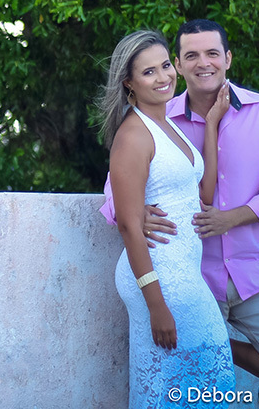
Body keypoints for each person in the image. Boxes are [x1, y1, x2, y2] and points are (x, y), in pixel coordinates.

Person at [100, 19, 259, 390]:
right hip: (193, 276)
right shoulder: (158, 116)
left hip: (251, 274)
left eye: (213, 53)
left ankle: (213, 342)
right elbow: (115, 189)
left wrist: (230, 219)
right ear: (181, 63)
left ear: (228, 59)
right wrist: (130, 213)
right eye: (191, 56)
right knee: (189, 388)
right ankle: (206, 341)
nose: (204, 63)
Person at [99, 30, 234, 408]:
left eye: (164, 66)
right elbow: (128, 223)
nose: (163, 78)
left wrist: (210, 124)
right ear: (129, 82)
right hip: (159, 277)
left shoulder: (169, 125)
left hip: (182, 273)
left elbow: (202, 195)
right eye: (148, 72)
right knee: (197, 383)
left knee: (186, 386)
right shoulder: (133, 135)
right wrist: (156, 304)